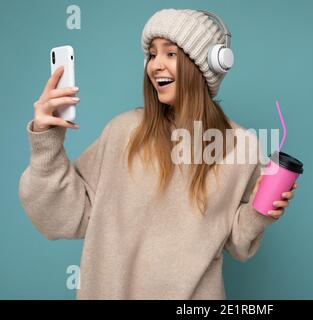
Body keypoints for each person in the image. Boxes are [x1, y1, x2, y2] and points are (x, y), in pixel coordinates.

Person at [18, 8, 297, 299]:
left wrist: (258, 213)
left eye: (170, 54)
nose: (155, 65)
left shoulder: (242, 146)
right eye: (152, 54)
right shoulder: (123, 131)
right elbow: (62, 216)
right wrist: (46, 140)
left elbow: (239, 243)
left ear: (207, 65)